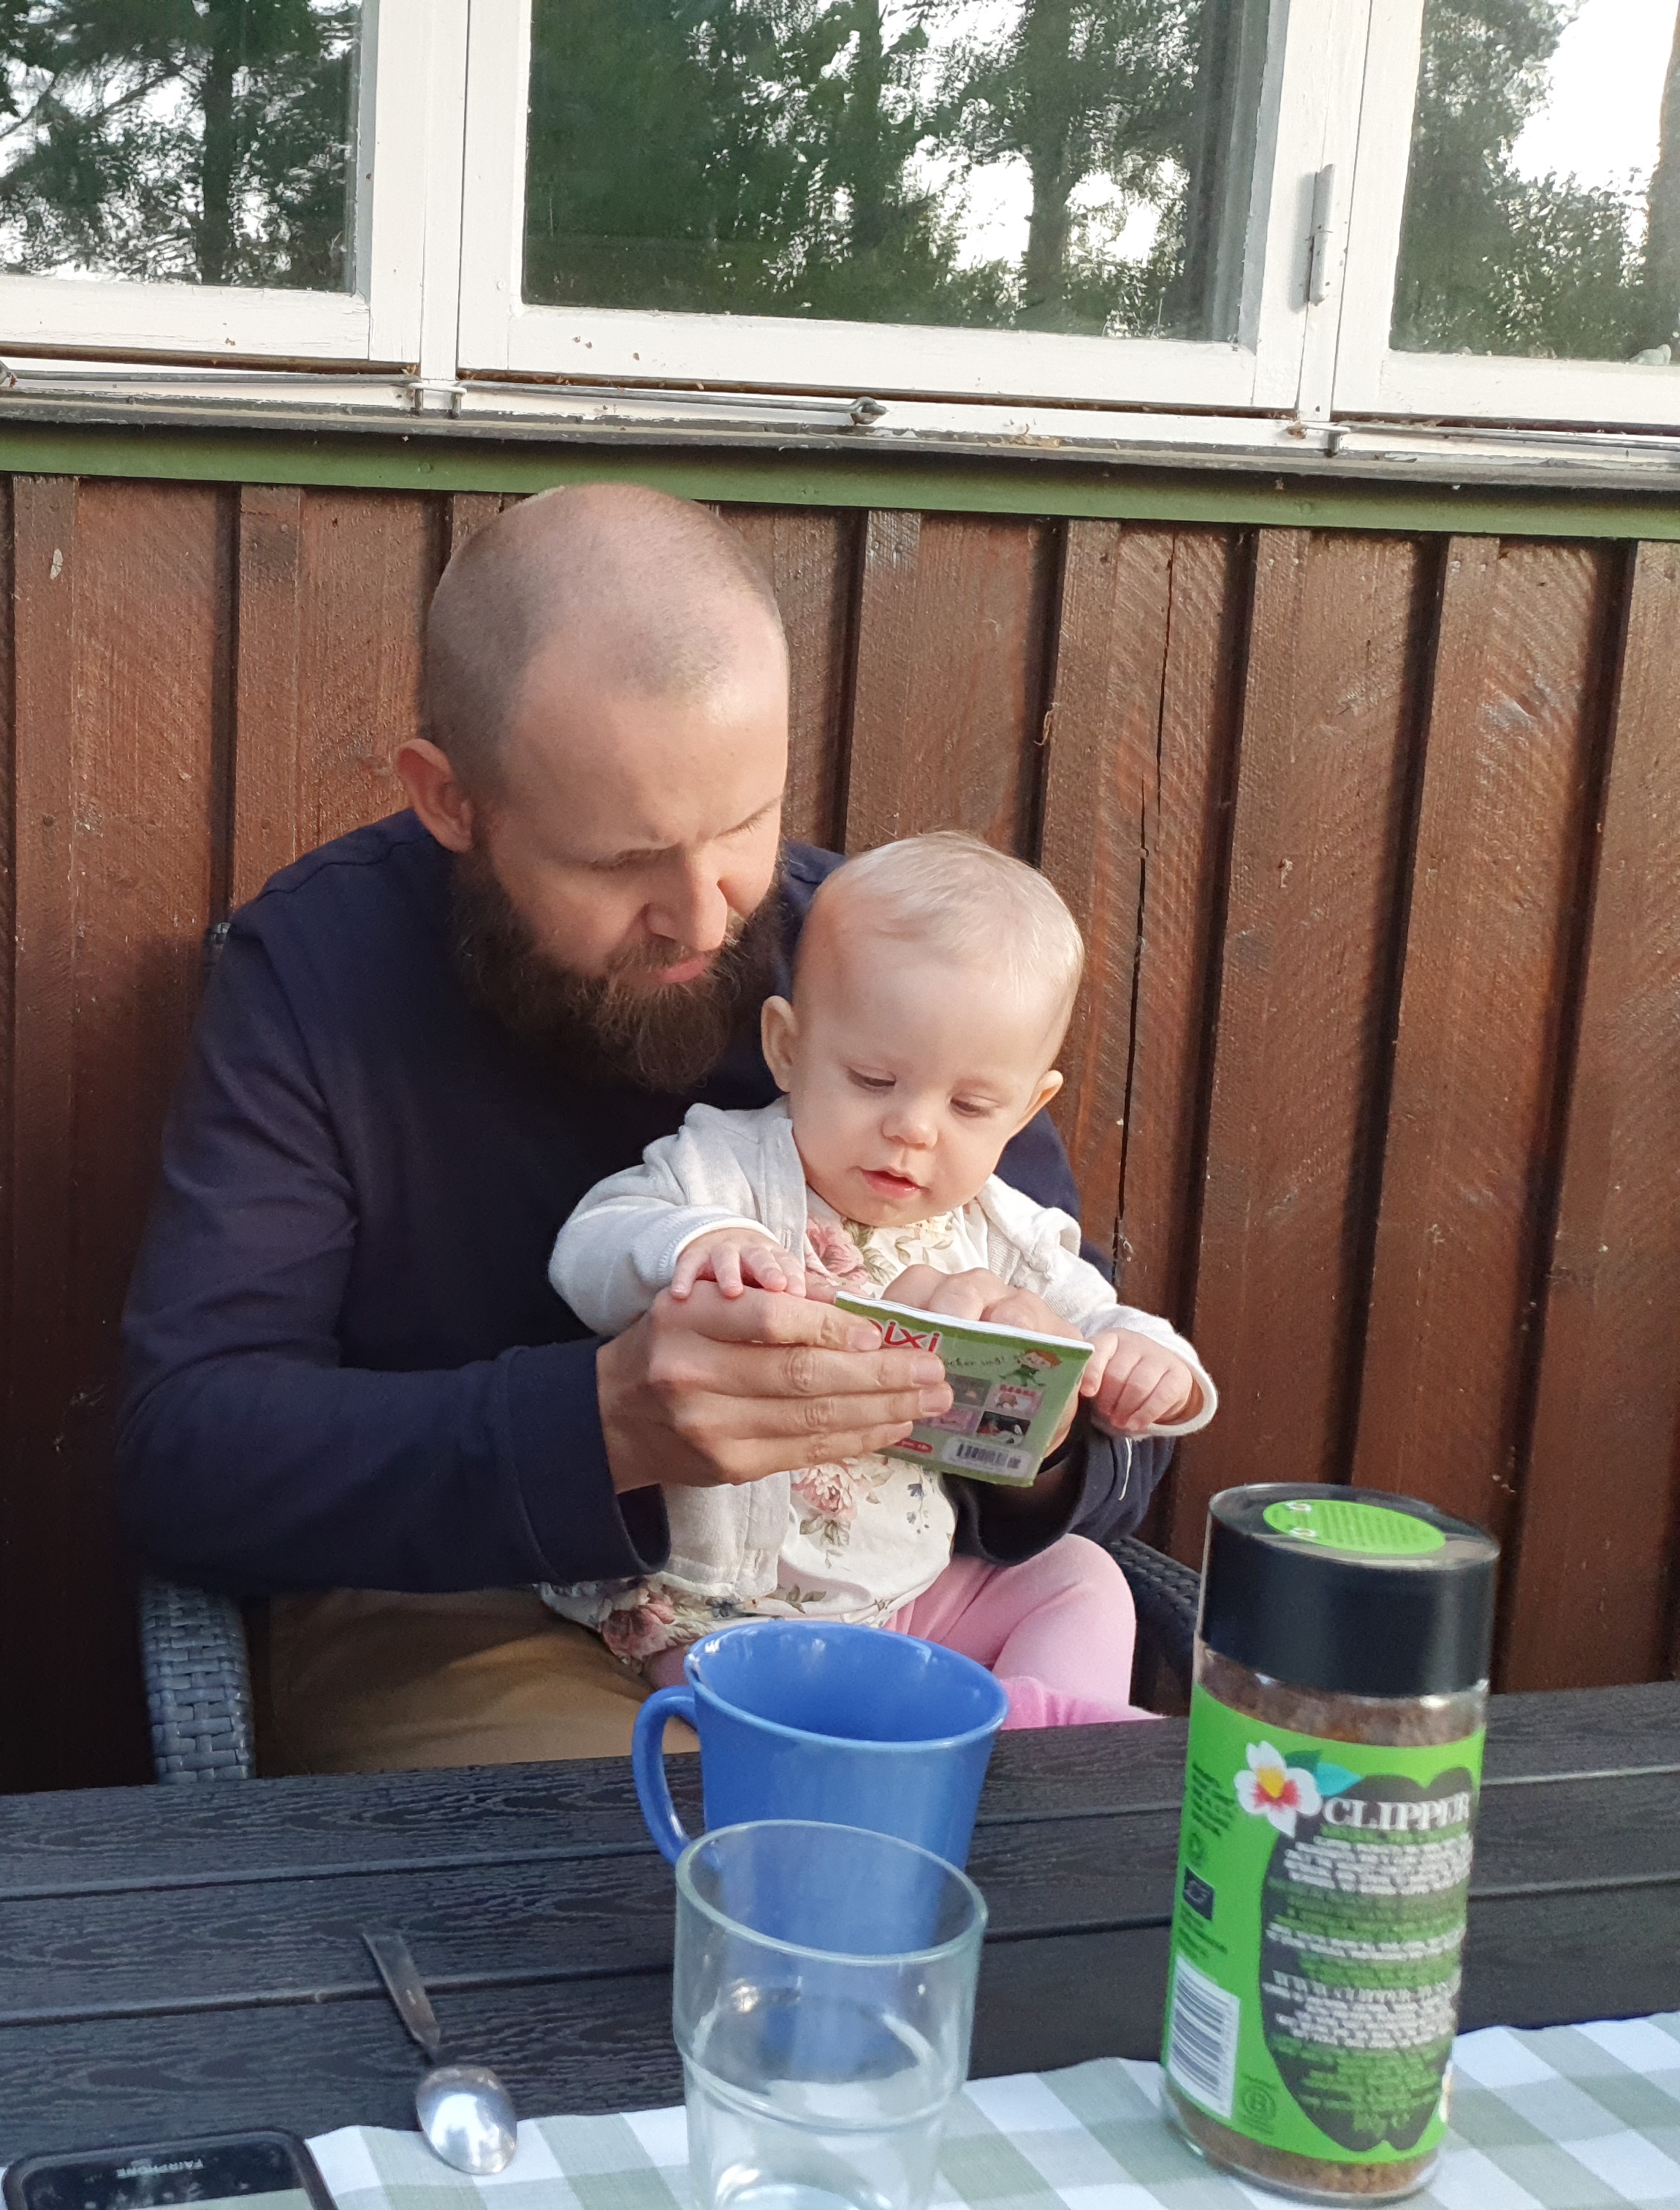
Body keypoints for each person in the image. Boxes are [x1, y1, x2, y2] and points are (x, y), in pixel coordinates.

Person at [115, 482, 1172, 1773]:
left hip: (877, 1601)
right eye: (621, 862)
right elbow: (187, 1453)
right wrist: (597, 1427)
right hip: (462, 1608)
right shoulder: (320, 969)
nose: (708, 916)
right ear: (450, 799)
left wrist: (1031, 1428)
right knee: (690, 1846)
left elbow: (1111, 1434)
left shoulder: (876, 969)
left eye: (744, 826)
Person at [539, 831, 1215, 1726]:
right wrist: (697, 1243)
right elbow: (588, 1245)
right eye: (871, 1079)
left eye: (970, 1105)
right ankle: (972, 1734)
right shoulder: (728, 1171)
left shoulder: (1005, 1233)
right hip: (728, 1610)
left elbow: (1100, 1317)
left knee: (1081, 1578)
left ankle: (1040, 1736)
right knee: (791, 1704)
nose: (914, 1129)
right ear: (787, 1047)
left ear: (1027, 1108)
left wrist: (1146, 1363)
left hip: (909, 1595)